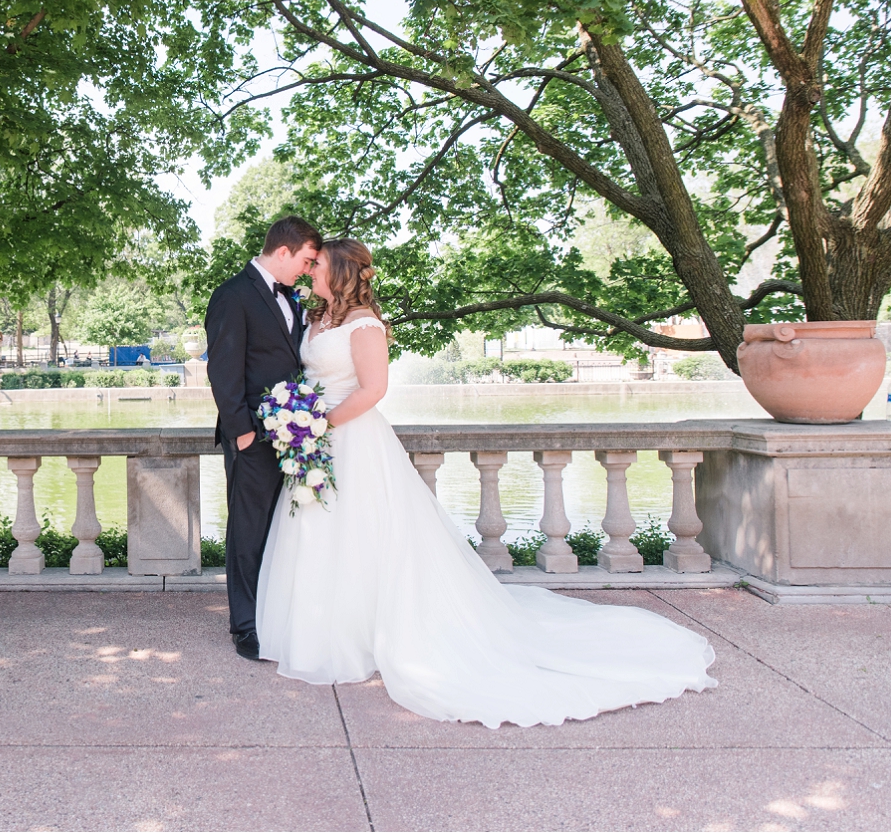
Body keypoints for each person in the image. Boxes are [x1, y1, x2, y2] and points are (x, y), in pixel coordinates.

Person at [255, 238, 717, 727]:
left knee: (364, 533)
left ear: (342, 271)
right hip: (316, 443)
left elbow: (374, 390)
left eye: (318, 265)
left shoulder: (364, 324)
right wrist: (300, 417)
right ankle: (325, 630)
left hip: (351, 440)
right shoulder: (316, 318)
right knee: (321, 532)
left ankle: (369, 634)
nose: (310, 272)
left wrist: (321, 422)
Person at [204, 215, 323, 661]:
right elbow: (223, 370)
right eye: (307, 261)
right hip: (253, 437)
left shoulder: (293, 296)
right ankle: (246, 627)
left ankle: (277, 614)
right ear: (283, 252)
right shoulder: (232, 295)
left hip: (294, 437)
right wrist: (243, 434)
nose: (309, 271)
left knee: (283, 530)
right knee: (249, 532)